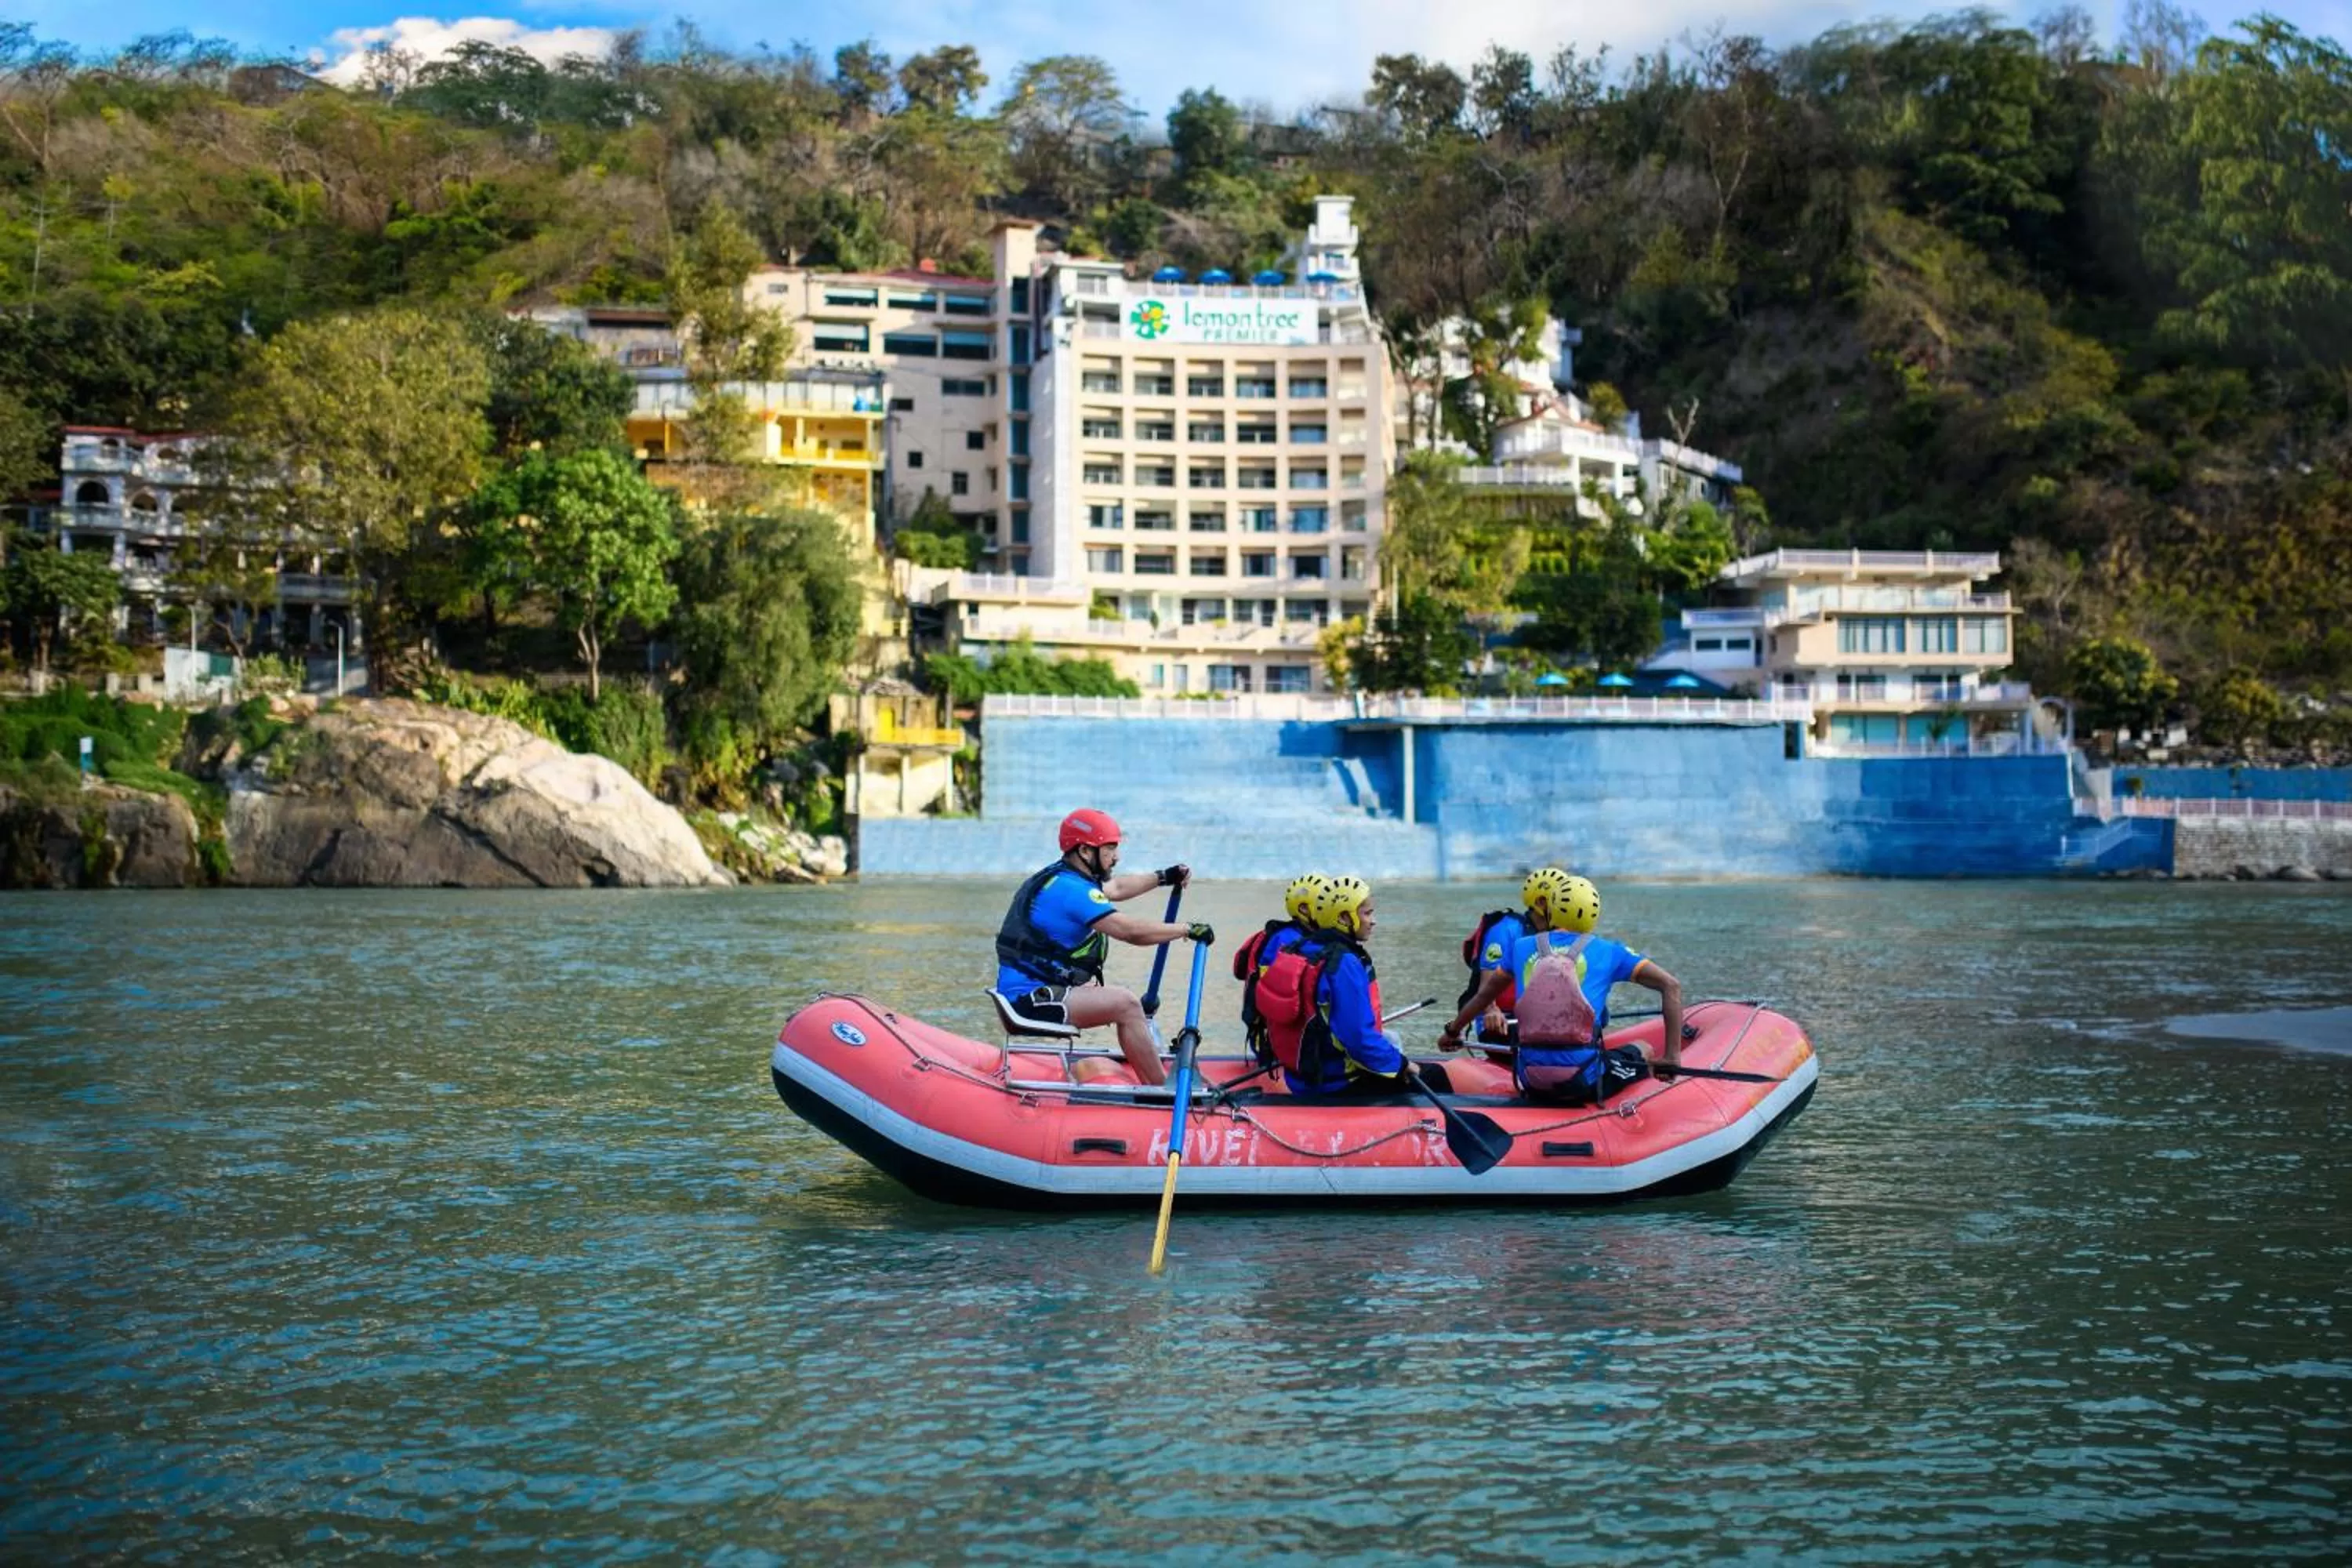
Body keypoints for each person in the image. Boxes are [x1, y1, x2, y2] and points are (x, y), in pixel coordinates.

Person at [994, 807, 1210, 1087]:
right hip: (1029, 1002)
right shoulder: (1073, 891)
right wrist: (1187, 929)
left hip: (1027, 992)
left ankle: (1147, 1061)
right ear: (1085, 851)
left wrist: (1163, 877)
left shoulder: (1062, 878)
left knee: (1115, 999)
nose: (1116, 857)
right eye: (1109, 849)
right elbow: (1129, 931)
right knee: (1127, 1004)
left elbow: (1117, 888)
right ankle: (1161, 1092)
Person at [1438, 870, 1682, 1105]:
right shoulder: (1611, 951)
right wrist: (1671, 1058)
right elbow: (1670, 986)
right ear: (1594, 916)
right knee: (1645, 1048)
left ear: (1552, 908)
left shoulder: (1522, 947)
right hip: (1583, 1080)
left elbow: (1483, 997)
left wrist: (1452, 1031)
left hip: (1529, 1077)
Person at [1255, 875, 1419, 1099]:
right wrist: (1401, 1064)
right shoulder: (1344, 963)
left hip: (1301, 1078)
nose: (1373, 921)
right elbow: (1359, 1039)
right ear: (1344, 917)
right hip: (1337, 1084)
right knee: (1436, 1078)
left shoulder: (1300, 947)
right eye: (1368, 913)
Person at [1232, 873, 1330, 1065]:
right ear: (1304, 908)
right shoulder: (1293, 943)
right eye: (1322, 905)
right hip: (1277, 1045)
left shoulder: (1281, 935)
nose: (1329, 910)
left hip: (1269, 1039)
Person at [1454, 871, 1556, 1045]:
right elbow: (1488, 982)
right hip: (1502, 1023)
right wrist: (1492, 1010)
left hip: (1537, 1020)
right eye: (1561, 901)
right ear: (1541, 902)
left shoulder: (1558, 935)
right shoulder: (1506, 929)